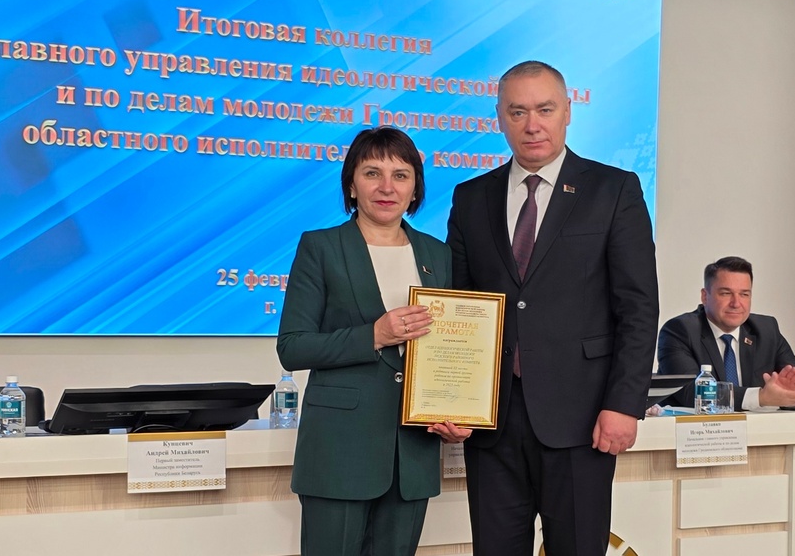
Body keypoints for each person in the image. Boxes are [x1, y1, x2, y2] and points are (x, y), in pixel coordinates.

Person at [446, 61, 659, 555]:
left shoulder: (614, 189)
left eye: (544, 109)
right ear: (499, 117)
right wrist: (452, 402)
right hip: (492, 423)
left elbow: (638, 307)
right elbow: (460, 308)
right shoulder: (471, 197)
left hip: (584, 418)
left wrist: (624, 404)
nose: (532, 125)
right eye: (517, 111)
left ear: (567, 112)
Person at [276, 126, 471, 556]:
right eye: (372, 173)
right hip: (340, 451)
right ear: (351, 184)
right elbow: (292, 346)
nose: (387, 187)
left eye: (401, 175)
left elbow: (448, 349)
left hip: (412, 454)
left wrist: (456, 411)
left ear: (415, 188)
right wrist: (374, 335)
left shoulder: (437, 254)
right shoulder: (321, 248)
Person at [657, 256, 795, 411]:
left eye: (744, 294)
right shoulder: (679, 330)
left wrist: (788, 394)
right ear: (705, 296)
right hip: (694, 426)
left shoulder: (766, 330)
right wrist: (760, 397)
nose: (736, 303)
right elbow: (690, 391)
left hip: (756, 427)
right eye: (726, 293)